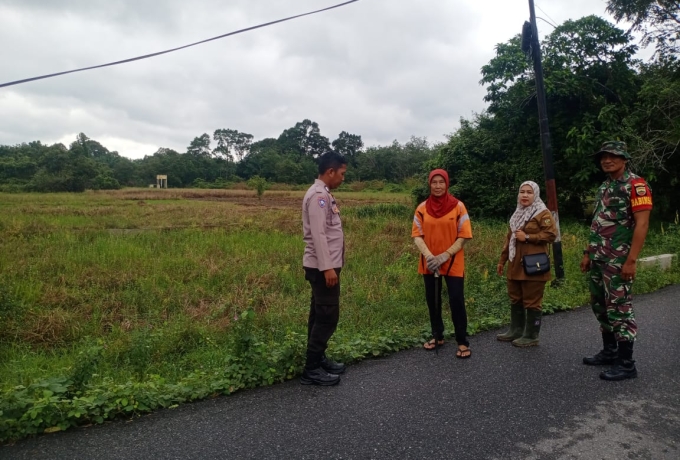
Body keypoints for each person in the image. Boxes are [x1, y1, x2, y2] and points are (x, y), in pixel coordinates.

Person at [580, 141, 652, 381]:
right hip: (599, 257)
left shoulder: (636, 185)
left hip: (619, 258)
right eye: (603, 157)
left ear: (624, 159)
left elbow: (642, 224)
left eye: (613, 156)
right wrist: (587, 252)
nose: (606, 160)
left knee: (620, 308)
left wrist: (631, 260)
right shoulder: (604, 186)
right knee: (599, 303)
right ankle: (610, 351)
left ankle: (626, 363)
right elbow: (597, 222)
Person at [412, 169, 473, 358]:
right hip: (429, 263)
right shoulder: (422, 208)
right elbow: (417, 235)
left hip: (453, 262)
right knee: (433, 301)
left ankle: (462, 341)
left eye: (441, 182)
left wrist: (445, 255)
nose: (437, 186)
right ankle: (437, 335)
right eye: (434, 182)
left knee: (456, 301)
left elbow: (464, 236)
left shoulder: (458, 207)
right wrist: (430, 256)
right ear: (429, 184)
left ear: (447, 184)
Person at [300, 150, 348, 386]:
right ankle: (311, 368)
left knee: (319, 314)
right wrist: (328, 268)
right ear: (330, 171)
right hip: (322, 268)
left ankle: (317, 360)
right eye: (342, 173)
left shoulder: (323, 193)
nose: (343, 178)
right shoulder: (319, 196)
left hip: (322, 266)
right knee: (328, 316)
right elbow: (319, 235)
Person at [496, 181, 557, 347]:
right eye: (522, 191)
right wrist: (502, 260)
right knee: (515, 298)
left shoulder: (542, 213)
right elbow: (510, 240)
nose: (525, 195)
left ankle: (531, 335)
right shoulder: (517, 214)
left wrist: (529, 237)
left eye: (529, 192)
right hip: (515, 263)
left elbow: (552, 235)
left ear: (535, 194)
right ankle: (516, 330)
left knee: (532, 300)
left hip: (534, 264)